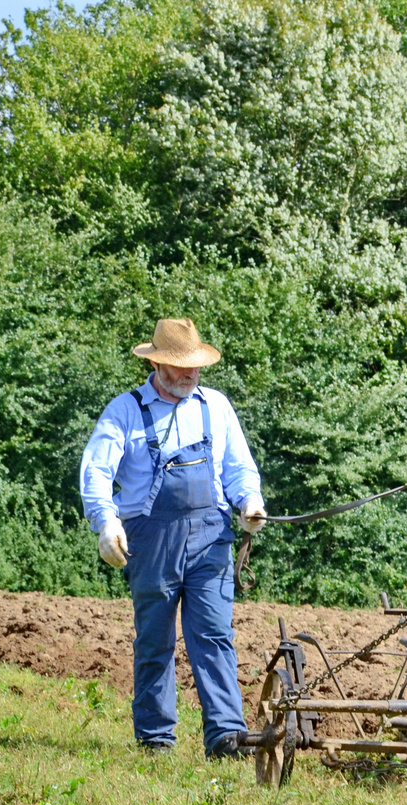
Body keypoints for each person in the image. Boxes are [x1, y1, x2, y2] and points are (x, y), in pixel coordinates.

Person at [79, 319, 268, 757]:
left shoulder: (216, 406)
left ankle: (225, 735)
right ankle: (156, 738)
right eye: (180, 367)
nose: (190, 374)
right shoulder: (125, 411)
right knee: (154, 640)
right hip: (151, 540)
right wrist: (106, 524)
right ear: (156, 363)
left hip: (210, 538)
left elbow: (239, 469)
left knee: (214, 635)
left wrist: (249, 503)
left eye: (195, 367)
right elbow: (96, 473)